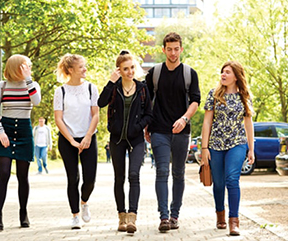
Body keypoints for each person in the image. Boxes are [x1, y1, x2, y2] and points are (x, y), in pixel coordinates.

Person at [145, 32, 201, 232]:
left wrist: (184, 118)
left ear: (181, 49)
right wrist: (146, 126)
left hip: (182, 131)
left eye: (176, 48)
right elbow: (146, 101)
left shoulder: (189, 73)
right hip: (159, 129)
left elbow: (195, 101)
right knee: (162, 171)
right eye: (169, 49)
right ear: (163, 50)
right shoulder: (154, 73)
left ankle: (175, 214)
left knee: (178, 173)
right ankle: (164, 218)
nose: (173, 52)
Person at [98, 50, 153, 234]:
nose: (130, 72)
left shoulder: (142, 88)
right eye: (125, 69)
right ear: (119, 70)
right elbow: (100, 103)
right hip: (117, 139)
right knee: (119, 178)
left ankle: (132, 217)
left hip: (136, 139)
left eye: (132, 68)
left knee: (134, 175)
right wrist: (110, 81)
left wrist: (138, 127)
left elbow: (149, 115)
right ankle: (121, 216)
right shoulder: (114, 88)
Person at [201, 61, 254, 236]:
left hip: (237, 143)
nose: (223, 75)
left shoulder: (244, 97)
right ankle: (220, 216)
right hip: (216, 145)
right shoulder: (214, 94)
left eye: (227, 72)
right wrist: (204, 148)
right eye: (222, 72)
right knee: (218, 184)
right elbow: (207, 122)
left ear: (236, 76)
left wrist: (251, 149)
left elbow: (248, 123)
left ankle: (234, 221)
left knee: (232, 179)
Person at [0, 54, 41, 231]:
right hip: (5, 129)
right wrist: (0, 131)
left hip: (25, 131)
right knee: (4, 173)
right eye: (26, 66)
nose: (29, 68)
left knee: (22, 176)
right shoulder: (2, 86)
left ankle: (23, 212)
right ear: (16, 67)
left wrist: (28, 79)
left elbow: (36, 101)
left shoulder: (32, 85)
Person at [54, 53, 99, 229]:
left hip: (88, 137)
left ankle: (84, 201)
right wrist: (72, 140)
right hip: (67, 140)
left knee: (90, 179)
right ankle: (75, 215)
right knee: (73, 178)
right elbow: (58, 119)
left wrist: (88, 136)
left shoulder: (91, 88)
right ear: (71, 70)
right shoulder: (61, 91)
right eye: (81, 67)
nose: (85, 69)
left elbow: (96, 114)